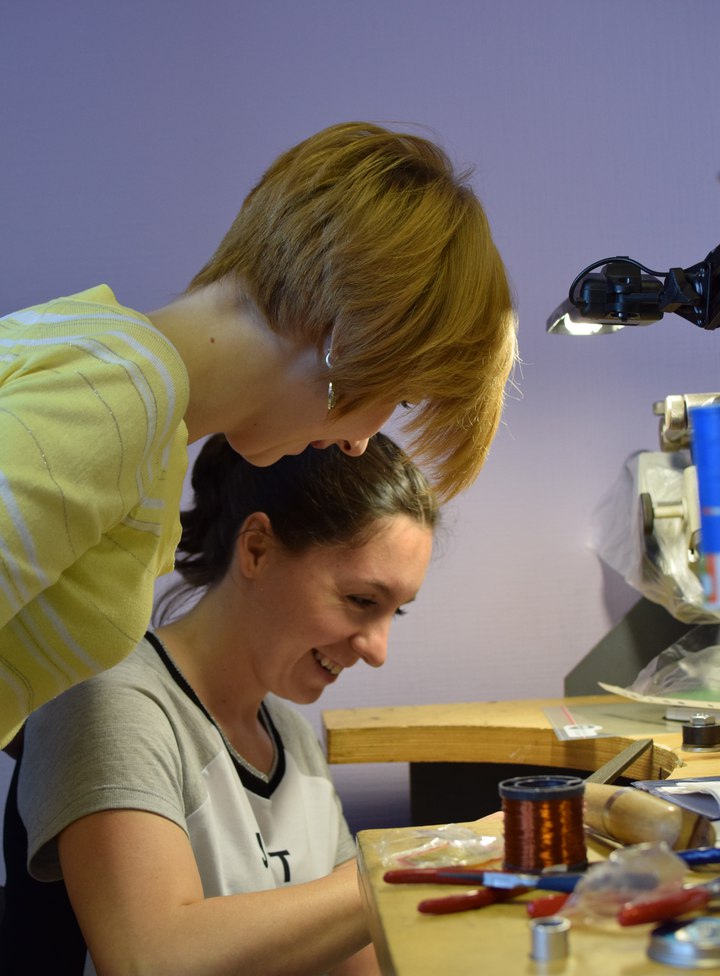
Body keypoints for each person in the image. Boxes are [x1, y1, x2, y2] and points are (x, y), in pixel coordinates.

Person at [0, 120, 516, 749]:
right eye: (399, 394)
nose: (360, 443)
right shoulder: (116, 397)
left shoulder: (134, 404)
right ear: (349, 340)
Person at [0, 430, 439, 976]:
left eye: (394, 613)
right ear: (257, 549)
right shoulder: (106, 702)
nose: (377, 648)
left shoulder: (290, 740)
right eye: (361, 601)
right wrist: (412, 866)